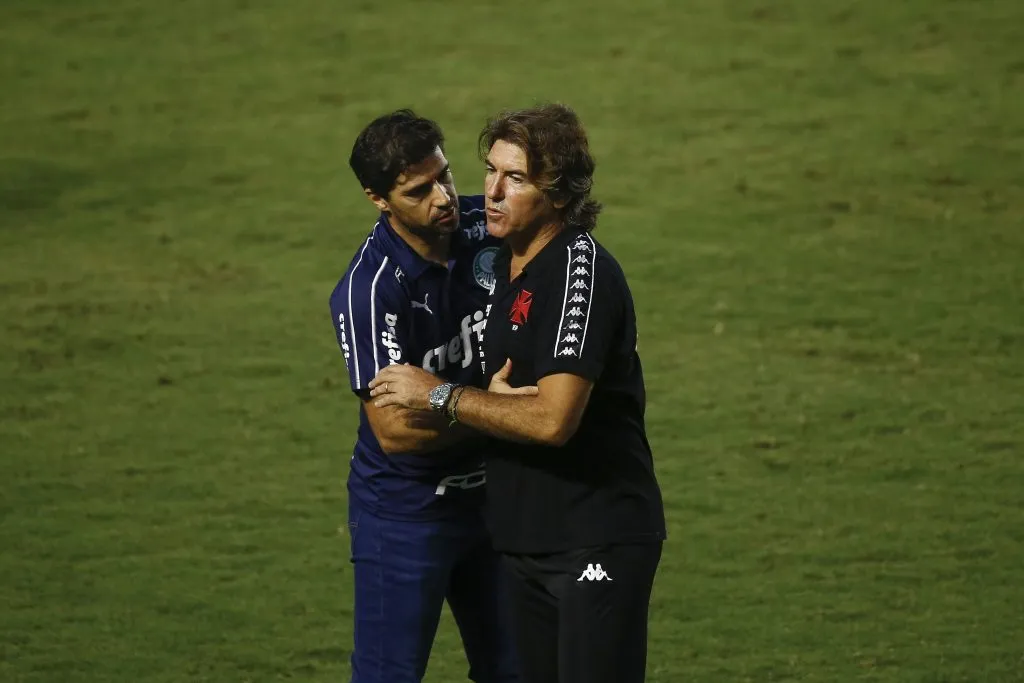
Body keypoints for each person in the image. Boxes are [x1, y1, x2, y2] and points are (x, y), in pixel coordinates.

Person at [368, 103, 667, 683]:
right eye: (490, 169)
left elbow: (554, 420)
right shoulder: (507, 265)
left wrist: (442, 396)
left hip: (595, 541)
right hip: (522, 541)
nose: (493, 192)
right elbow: (507, 399)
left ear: (559, 195)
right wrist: (491, 403)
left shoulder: (579, 273)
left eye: (517, 178)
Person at [328, 109, 525, 683]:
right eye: (419, 190)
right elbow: (396, 433)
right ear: (378, 198)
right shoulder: (370, 292)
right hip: (407, 512)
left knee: (518, 669)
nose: (443, 197)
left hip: (498, 499)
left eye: (445, 175)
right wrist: (499, 409)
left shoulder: (481, 225)